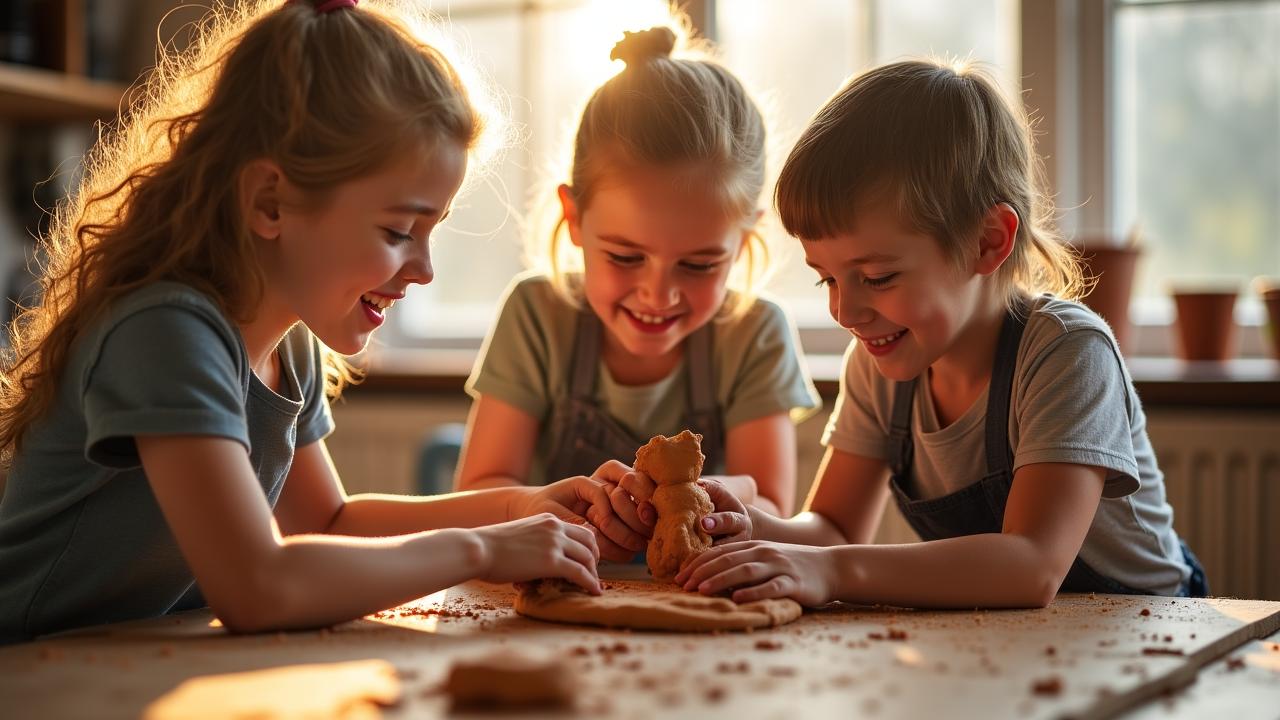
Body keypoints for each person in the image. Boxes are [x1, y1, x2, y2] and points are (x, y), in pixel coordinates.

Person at [0, 0, 644, 645]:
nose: (423, 270)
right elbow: (257, 586)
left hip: (126, 663)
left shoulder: (291, 342)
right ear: (270, 202)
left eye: (430, 234)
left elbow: (327, 522)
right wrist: (481, 550)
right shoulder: (166, 334)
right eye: (398, 231)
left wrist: (518, 508)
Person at [676, 59, 1208, 607]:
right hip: (1022, 640)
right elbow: (833, 530)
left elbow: (1030, 564)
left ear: (987, 242)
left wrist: (833, 572)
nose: (845, 311)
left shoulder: (1067, 353)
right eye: (827, 279)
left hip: (1152, 624)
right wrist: (741, 524)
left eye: (877, 277)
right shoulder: (882, 360)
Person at [455, 25, 820, 529]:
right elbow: (480, 489)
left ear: (744, 240)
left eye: (698, 265)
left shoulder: (755, 335)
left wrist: (717, 497)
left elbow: (774, 510)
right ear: (575, 218)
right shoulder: (537, 314)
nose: (658, 294)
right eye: (626, 257)